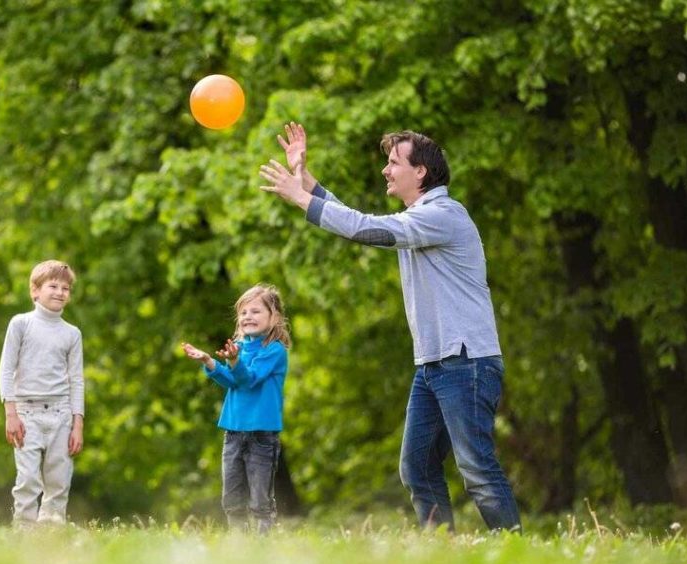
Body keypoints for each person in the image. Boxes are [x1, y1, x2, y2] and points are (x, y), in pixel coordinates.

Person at [259, 123, 521, 532]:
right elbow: (361, 220)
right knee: (416, 468)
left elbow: (369, 229)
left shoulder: (443, 216)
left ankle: (514, 550)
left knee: (477, 470)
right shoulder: (419, 217)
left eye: (393, 162)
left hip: (466, 362)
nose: (385, 170)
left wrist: (301, 199)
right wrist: (304, 178)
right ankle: (442, 553)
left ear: (421, 172)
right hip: (434, 365)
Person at [181, 284, 291, 534]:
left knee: (260, 498)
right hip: (233, 432)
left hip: (262, 435)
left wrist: (233, 361)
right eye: (243, 313)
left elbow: (249, 379)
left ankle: (263, 540)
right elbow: (232, 381)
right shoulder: (239, 348)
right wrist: (209, 361)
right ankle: (238, 542)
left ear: (274, 317)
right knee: (231, 495)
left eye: (255, 311)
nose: (247, 317)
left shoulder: (274, 351)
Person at [0, 260, 85, 526]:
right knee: (28, 479)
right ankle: (23, 532)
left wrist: (77, 424)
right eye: (53, 286)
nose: (60, 292)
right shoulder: (21, 324)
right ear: (35, 291)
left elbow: (76, 380)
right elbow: (6, 369)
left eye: (66, 288)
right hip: (26, 414)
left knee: (58, 479)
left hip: (61, 414)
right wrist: (10, 414)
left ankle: (51, 534)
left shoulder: (72, 333)